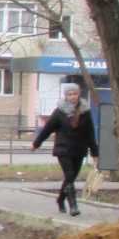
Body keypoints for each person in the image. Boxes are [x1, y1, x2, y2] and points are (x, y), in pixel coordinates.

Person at [32, 81, 98, 215]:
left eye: (75, 94)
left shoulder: (85, 112)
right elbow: (47, 129)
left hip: (79, 149)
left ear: (79, 94)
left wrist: (95, 152)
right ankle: (73, 206)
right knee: (69, 175)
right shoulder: (59, 112)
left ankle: (60, 199)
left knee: (71, 178)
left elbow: (90, 133)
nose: (72, 96)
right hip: (63, 149)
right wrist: (36, 143)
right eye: (70, 94)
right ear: (65, 96)